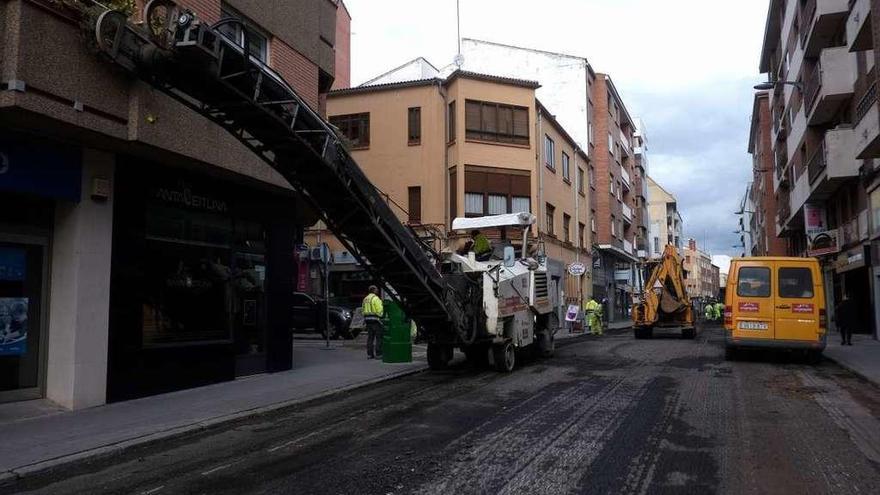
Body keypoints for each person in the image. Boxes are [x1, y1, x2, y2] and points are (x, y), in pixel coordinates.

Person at [363, 285, 385, 358]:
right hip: (376, 321)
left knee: (370, 338)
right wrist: (382, 316)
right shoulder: (376, 299)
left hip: (368, 321)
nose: (378, 291)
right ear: (374, 290)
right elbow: (380, 310)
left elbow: (363, 310)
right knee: (379, 338)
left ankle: (370, 354)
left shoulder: (365, 299)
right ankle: (378, 354)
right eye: (377, 290)